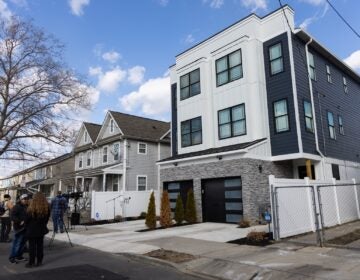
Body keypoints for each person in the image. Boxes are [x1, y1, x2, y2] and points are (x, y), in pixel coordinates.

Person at [24, 192, 50, 268]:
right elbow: (47, 219)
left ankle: (31, 262)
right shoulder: (47, 207)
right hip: (41, 229)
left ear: (34, 198)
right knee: (40, 246)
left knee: (32, 247)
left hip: (32, 230)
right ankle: (39, 261)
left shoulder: (32, 207)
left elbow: (27, 219)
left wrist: (26, 226)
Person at [9, 194, 29, 263]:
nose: (26, 200)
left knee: (23, 243)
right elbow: (12, 216)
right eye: (24, 199)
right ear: (20, 199)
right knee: (17, 243)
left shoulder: (27, 206)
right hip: (19, 228)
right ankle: (12, 257)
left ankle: (19, 256)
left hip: (26, 228)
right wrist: (19, 221)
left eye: (27, 199)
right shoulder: (17, 207)